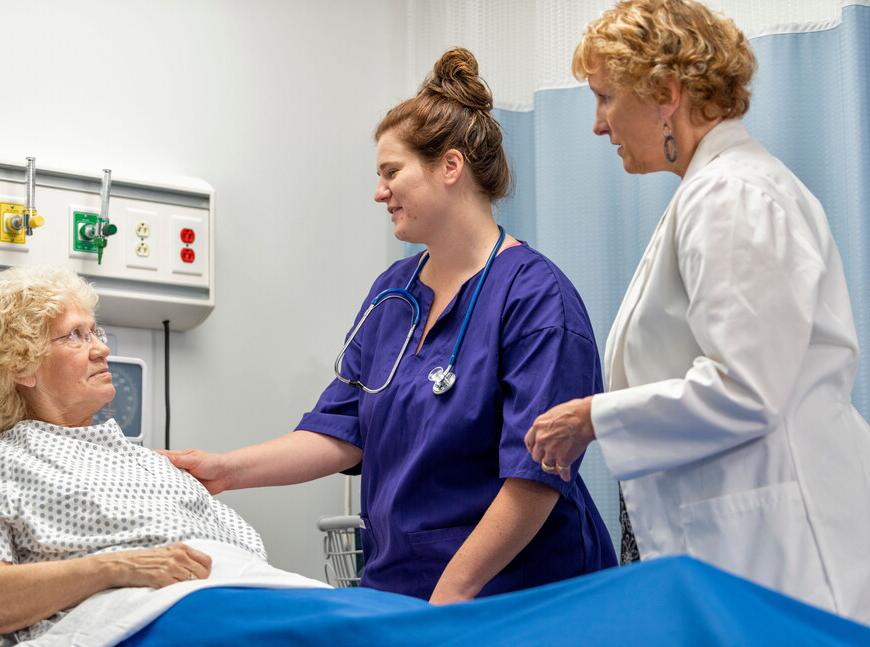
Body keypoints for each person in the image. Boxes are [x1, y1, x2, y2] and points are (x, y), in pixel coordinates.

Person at [164, 47, 616, 604]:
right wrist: (223, 470)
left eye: (391, 172)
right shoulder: (393, 294)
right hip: (401, 588)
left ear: (450, 167)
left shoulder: (537, 297)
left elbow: (536, 474)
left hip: (518, 596)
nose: (380, 192)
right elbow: (341, 430)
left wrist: (447, 600)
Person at [523, 0, 870, 623]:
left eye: (604, 97)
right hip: (749, 543)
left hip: (780, 553)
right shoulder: (715, 191)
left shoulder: (732, 194)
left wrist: (592, 417)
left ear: (666, 94)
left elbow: (747, 388)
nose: (599, 125)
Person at [0, 265, 298, 642]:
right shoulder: (8, 463)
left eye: (95, 332)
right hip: (152, 615)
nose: (102, 349)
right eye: (75, 336)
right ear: (22, 365)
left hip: (259, 592)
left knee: (383, 618)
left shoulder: (148, 462)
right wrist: (114, 567)